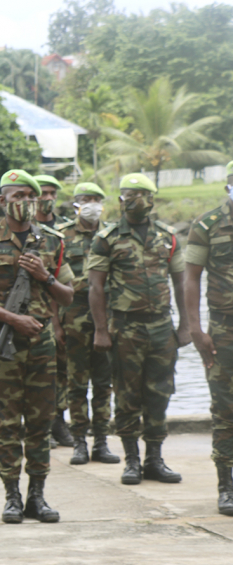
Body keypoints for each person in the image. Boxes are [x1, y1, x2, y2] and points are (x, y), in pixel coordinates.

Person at [0, 169, 74, 524]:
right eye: (17, 195)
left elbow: (69, 295)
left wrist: (46, 277)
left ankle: (36, 496)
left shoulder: (53, 241)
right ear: (2, 200)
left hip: (41, 343)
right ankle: (11, 496)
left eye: (30, 195)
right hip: (5, 341)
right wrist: (11, 319)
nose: (25, 201)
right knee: (9, 423)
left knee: (41, 421)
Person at [89, 173, 190, 486]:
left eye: (139, 194)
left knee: (160, 393)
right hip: (125, 328)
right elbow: (95, 286)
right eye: (127, 194)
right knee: (127, 395)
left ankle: (154, 459)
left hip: (161, 327)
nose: (132, 199)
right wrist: (101, 330)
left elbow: (181, 281)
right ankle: (131, 460)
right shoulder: (106, 238)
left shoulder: (168, 236)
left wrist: (185, 325)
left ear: (151, 199)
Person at [56, 182, 119, 465]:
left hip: (107, 314)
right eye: (86, 199)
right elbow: (53, 280)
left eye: (96, 199)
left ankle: (102, 441)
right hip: (74, 314)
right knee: (76, 381)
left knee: (104, 382)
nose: (92, 204)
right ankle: (79, 441)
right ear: (75, 204)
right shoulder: (62, 236)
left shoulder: (112, 235)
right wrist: (56, 324)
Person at [185, 161, 233, 516]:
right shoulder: (207, 225)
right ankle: (226, 486)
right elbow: (191, 278)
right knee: (225, 409)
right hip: (224, 329)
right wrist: (195, 330)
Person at [33, 174, 74, 449]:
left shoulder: (65, 230)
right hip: (37, 312)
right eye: (43, 193)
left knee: (65, 370)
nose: (48, 198)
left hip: (69, 307)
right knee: (40, 373)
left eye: (52, 194)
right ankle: (42, 426)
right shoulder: (26, 230)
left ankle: (60, 421)